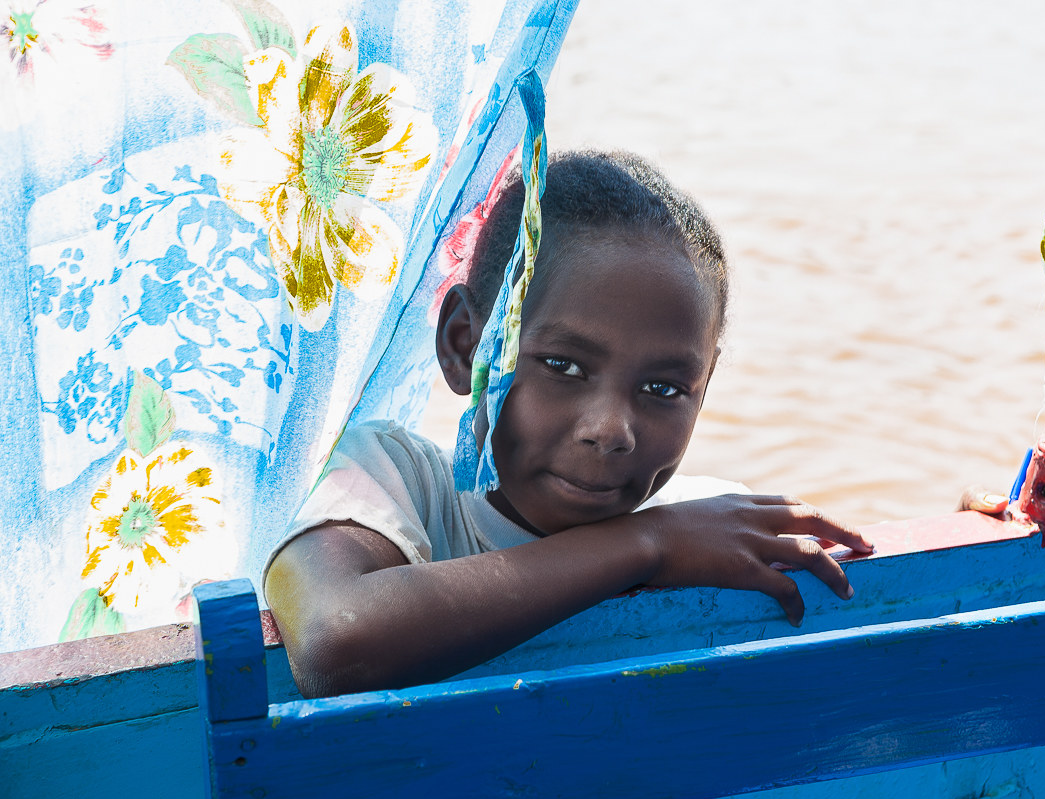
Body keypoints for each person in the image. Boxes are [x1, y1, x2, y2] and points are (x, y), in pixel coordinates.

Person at [263, 150, 875, 698]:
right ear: (465, 344)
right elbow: (333, 641)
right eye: (564, 366)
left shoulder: (714, 530)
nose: (611, 430)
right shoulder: (395, 482)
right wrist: (646, 546)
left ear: (704, 386)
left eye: (663, 389)